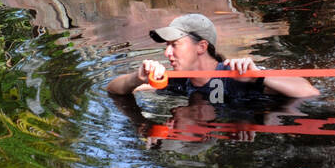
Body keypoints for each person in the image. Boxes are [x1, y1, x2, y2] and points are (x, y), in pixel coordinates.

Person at [105, 13, 319, 102]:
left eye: (174, 45)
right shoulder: (178, 80)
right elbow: (113, 89)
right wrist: (138, 78)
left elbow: (310, 92)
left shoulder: (234, 73)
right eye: (167, 46)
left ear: (201, 47)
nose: (167, 53)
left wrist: (258, 77)